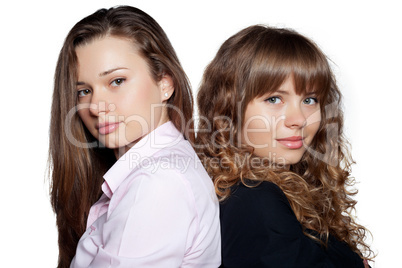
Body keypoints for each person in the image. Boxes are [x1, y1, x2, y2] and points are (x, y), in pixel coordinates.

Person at [49, 6, 220, 268]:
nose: (95, 106)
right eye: (83, 91)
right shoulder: (144, 175)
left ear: (165, 83)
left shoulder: (157, 183)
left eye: (116, 81)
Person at [196, 25, 373, 267]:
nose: (299, 119)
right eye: (274, 99)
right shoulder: (255, 200)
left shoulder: (279, 188)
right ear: (230, 110)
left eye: (310, 100)